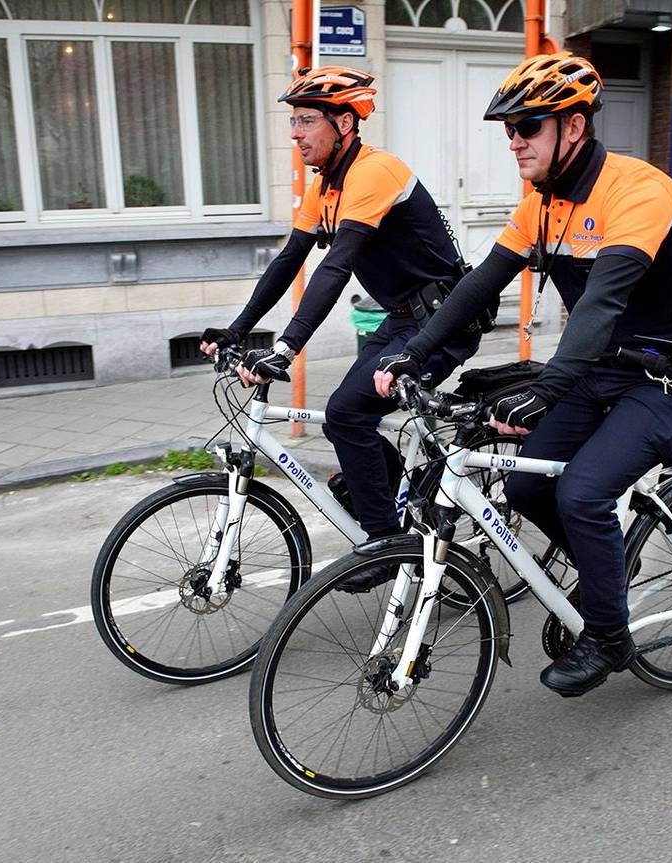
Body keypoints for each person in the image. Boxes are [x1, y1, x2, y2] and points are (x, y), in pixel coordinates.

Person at [373, 53, 672, 697]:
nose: (514, 140)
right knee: (526, 490)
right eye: (509, 129)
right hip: (598, 371)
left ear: (574, 128)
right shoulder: (542, 204)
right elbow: (477, 286)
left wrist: (548, 387)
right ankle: (603, 568)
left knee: (583, 493)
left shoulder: (639, 188)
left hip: (664, 375)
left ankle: (611, 637)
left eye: (527, 125)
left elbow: (603, 303)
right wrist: (412, 352)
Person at [200, 66, 479, 588]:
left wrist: (285, 347)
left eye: (307, 120)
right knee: (350, 417)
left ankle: (385, 546)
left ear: (345, 122)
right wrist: (240, 330)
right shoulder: (325, 184)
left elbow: (337, 265)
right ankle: (402, 501)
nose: (295, 132)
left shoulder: (375, 172)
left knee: (347, 414)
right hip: (402, 318)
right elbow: (291, 259)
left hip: (442, 322)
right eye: (294, 121)